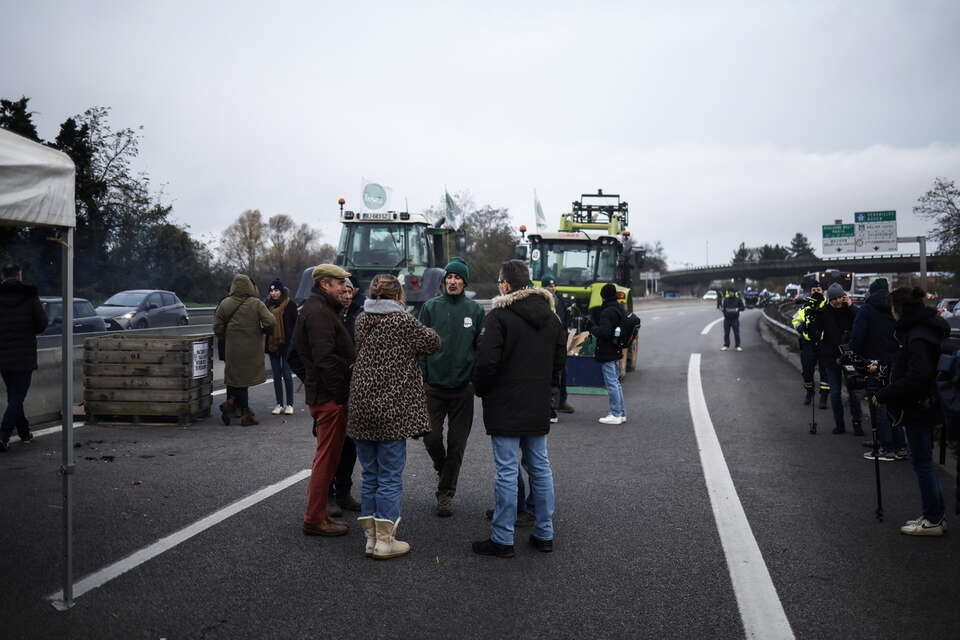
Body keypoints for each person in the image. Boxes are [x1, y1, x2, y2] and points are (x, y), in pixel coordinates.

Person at [472, 259, 565, 558]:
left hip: (505, 404)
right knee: (540, 467)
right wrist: (545, 390)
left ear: (505, 284)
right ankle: (544, 532)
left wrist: (483, 390)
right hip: (537, 403)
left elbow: (486, 362)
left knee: (507, 470)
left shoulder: (499, 317)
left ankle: (503, 537)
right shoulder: (551, 318)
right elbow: (559, 363)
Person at [348, 274, 440, 559]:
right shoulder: (402, 321)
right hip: (390, 411)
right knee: (389, 475)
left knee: (371, 474)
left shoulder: (362, 320)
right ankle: (386, 541)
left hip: (361, 407)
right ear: (398, 295)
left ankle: (370, 538)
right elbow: (433, 343)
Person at [874, 287, 950, 536]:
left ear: (900, 308)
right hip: (927, 404)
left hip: (918, 407)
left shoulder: (916, 336)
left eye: (892, 308)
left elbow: (917, 376)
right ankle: (934, 516)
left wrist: (885, 394)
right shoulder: (926, 328)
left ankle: (933, 519)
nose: (891, 313)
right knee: (924, 463)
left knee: (922, 463)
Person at [418, 257, 485, 517]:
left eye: (458, 278)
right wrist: (423, 376)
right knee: (431, 437)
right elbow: (420, 345)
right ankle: (442, 467)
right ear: (444, 281)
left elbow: (480, 349)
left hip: (462, 390)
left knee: (457, 445)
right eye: (449, 277)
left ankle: (445, 493)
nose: (453, 281)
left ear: (464, 282)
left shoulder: (475, 311)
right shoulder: (430, 307)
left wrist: (473, 380)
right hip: (433, 387)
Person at [294, 264, 355, 537]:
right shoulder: (319, 313)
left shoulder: (317, 310)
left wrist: (311, 382)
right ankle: (315, 518)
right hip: (331, 399)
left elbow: (294, 355)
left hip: (323, 395)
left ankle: (316, 514)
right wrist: (339, 394)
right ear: (324, 285)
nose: (345, 288)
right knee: (326, 460)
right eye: (340, 283)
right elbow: (325, 359)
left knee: (327, 458)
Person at [850, 278, 905, 461]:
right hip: (896, 362)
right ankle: (900, 446)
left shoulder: (867, 309)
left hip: (874, 363)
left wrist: (853, 353)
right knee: (894, 403)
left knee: (878, 403)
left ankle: (886, 447)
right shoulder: (894, 307)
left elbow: (857, 337)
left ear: (871, 292)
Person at [214, 275, 275, 426]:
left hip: (232, 349)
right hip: (251, 350)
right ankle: (245, 414)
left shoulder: (225, 303)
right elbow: (271, 321)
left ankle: (231, 404)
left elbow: (217, 327)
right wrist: (261, 331)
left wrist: (226, 335)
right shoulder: (256, 303)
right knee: (244, 381)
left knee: (236, 379)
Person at [0, 264, 48, 451]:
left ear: (3, 275)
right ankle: (3, 435)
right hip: (24, 355)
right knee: (17, 397)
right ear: (19, 275)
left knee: (14, 396)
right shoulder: (29, 295)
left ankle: (24, 432)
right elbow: (42, 324)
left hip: (3, 356)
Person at [327, 278, 363, 517]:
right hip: (330, 390)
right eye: (344, 291)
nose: (347, 295)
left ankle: (344, 492)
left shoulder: (361, 316)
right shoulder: (326, 315)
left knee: (350, 446)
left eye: (351, 291)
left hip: (354, 390)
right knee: (330, 447)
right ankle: (327, 495)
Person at [816, 283, 863, 435]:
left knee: (854, 394)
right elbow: (816, 332)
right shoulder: (823, 312)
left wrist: (850, 306)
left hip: (849, 358)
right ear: (830, 299)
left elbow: (861, 320)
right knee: (835, 393)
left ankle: (857, 423)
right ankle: (840, 424)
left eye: (839, 298)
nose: (837, 301)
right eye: (834, 298)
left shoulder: (848, 310)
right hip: (830, 358)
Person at [591, 283, 627, 424]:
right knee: (616, 383)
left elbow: (604, 333)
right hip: (616, 349)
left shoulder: (607, 312)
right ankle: (621, 412)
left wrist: (593, 328)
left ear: (603, 295)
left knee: (611, 383)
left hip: (607, 351)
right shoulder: (619, 308)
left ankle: (615, 414)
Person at [791, 283, 830, 408]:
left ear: (823, 291)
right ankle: (810, 391)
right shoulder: (804, 307)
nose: (816, 291)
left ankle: (824, 397)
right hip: (808, 343)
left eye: (818, 289)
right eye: (814, 290)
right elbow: (795, 320)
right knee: (807, 371)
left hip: (824, 343)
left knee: (825, 372)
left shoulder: (827, 306)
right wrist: (800, 327)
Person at [541, 273, 574, 414]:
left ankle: (561, 401)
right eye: (549, 286)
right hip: (546, 342)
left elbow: (563, 321)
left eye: (554, 286)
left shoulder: (559, 301)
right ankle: (548, 405)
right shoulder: (541, 301)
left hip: (559, 342)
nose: (552, 288)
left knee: (561, 371)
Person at [265, 279, 298, 416]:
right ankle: (279, 403)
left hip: (287, 345)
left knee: (286, 374)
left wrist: (294, 343)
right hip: (273, 344)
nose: (274, 293)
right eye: (271, 291)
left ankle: (290, 404)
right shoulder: (267, 305)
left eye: (276, 290)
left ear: (281, 291)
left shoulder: (290, 305)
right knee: (276, 375)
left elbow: (296, 325)